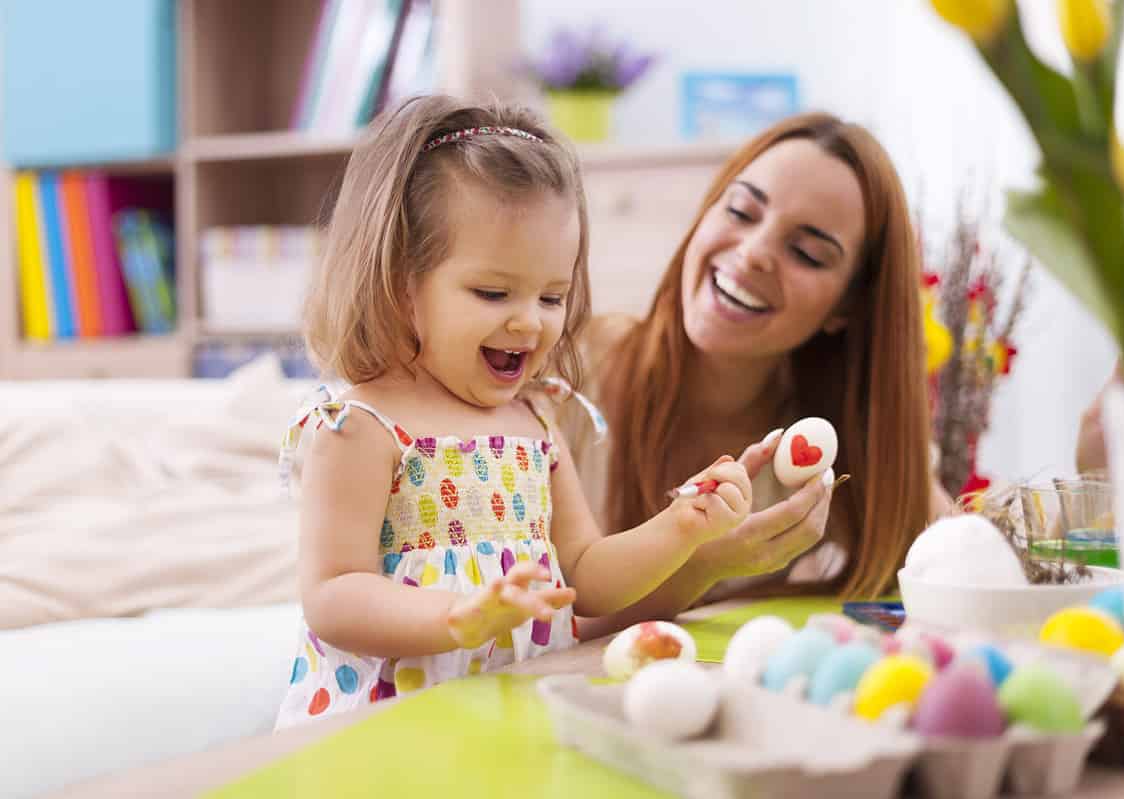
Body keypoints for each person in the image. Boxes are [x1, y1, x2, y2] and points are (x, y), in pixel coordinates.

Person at [274, 95, 751, 728]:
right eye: (493, 292)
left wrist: (683, 527)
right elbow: (332, 594)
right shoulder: (362, 426)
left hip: (511, 714)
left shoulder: (535, 423)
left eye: (552, 296)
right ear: (399, 283)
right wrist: (455, 616)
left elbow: (586, 574)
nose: (529, 321)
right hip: (392, 725)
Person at [559, 112, 955, 637]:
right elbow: (532, 630)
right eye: (742, 210)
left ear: (848, 308)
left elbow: (966, 565)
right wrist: (704, 563)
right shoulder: (565, 371)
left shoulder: (823, 444)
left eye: (807, 253)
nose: (754, 253)